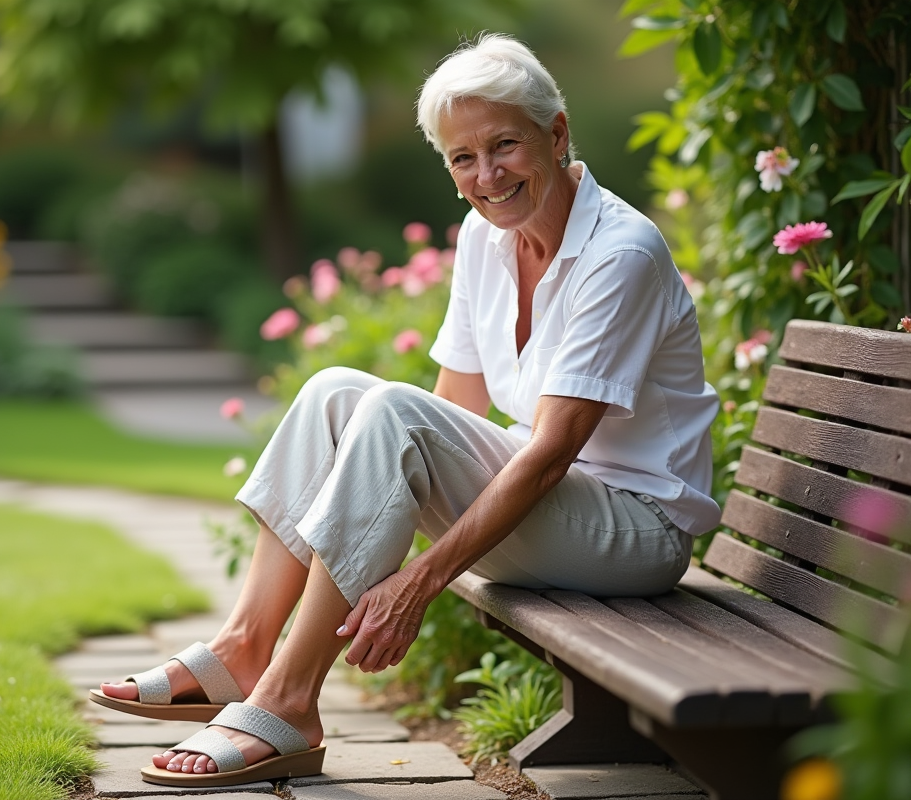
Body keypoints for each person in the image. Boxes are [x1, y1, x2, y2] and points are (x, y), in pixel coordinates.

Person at [91, 33, 721, 788]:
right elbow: (449, 411)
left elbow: (550, 452)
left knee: (388, 410)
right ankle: (246, 644)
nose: (486, 176)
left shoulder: (620, 253)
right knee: (335, 393)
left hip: (633, 530)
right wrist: (395, 507)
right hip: (552, 513)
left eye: (505, 146)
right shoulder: (487, 241)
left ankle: (290, 700)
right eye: (463, 158)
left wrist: (417, 584)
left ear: (556, 133)